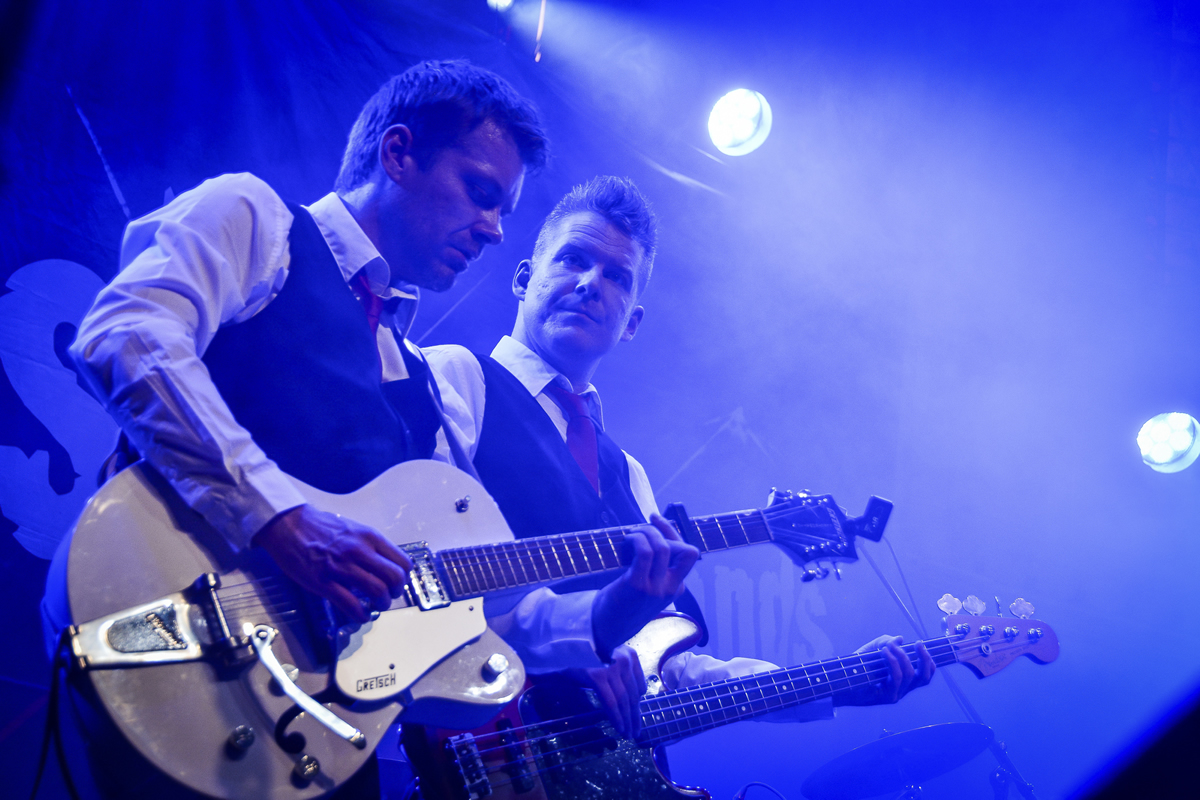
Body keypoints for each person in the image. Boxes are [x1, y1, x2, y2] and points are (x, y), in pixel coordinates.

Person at [42, 64, 696, 799]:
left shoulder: (415, 377)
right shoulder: (259, 220)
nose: (494, 228)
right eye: (481, 193)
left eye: (505, 210)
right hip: (168, 635)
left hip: (310, 725)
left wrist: (614, 610)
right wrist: (281, 521)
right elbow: (127, 335)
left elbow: (482, 603)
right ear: (398, 154)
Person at [424, 176, 935, 742]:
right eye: (573, 259)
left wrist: (834, 686)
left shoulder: (629, 475)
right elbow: (426, 574)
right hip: (483, 747)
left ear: (632, 324)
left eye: (617, 277)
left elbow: (672, 670)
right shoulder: (456, 377)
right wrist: (582, 636)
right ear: (524, 278)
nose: (591, 284)